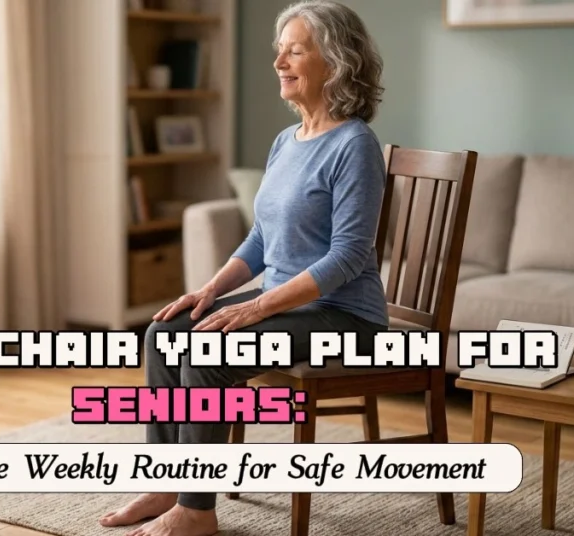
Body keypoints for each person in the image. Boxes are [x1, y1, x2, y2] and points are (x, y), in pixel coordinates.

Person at [100, 1, 388, 534]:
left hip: (347, 318)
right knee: (166, 332)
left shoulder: (355, 146)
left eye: (295, 50)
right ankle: (168, 483)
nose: (279, 61)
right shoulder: (287, 141)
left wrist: (256, 307)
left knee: (209, 352)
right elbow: (261, 237)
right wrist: (209, 291)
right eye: (279, 50)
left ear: (337, 61)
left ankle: (196, 512)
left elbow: (349, 256)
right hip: (289, 306)